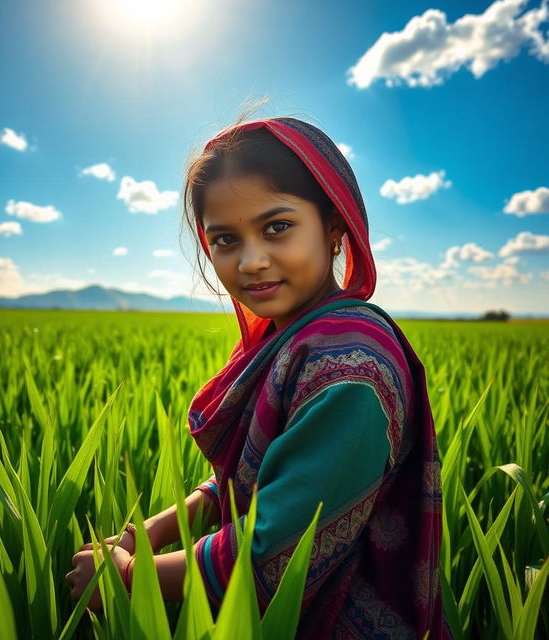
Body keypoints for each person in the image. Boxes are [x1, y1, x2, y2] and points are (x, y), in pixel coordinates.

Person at [66, 115, 452, 639]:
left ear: (334, 226)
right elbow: (278, 469)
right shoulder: (298, 339)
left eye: (277, 227)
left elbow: (277, 550)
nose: (251, 261)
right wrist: (155, 527)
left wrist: (131, 577)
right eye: (225, 239)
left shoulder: (350, 368)